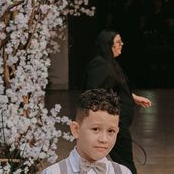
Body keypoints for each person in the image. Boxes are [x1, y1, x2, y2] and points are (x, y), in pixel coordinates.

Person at [84, 30, 151, 174]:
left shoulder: (110, 63)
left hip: (117, 124)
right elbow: (94, 93)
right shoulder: (99, 65)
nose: (122, 45)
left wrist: (133, 97)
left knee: (123, 161)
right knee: (125, 163)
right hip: (111, 125)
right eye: (118, 42)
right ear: (108, 45)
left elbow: (112, 89)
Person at [42, 89, 132, 174]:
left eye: (111, 131)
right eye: (95, 129)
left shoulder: (123, 172)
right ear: (76, 130)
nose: (104, 139)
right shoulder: (53, 172)